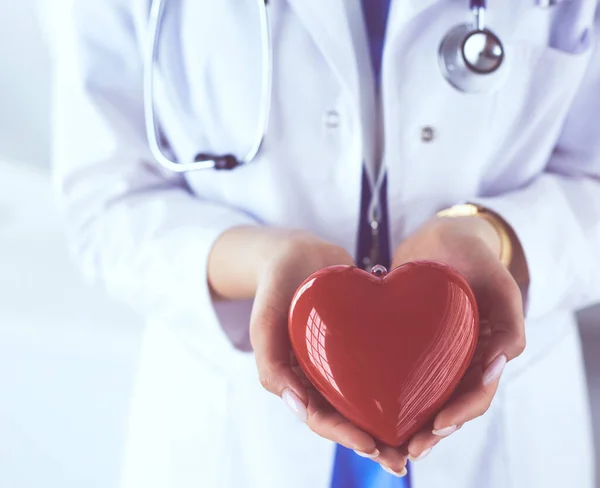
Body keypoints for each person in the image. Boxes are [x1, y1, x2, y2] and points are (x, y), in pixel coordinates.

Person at [46, 0, 599, 487]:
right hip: (232, 430)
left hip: (502, 432)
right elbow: (105, 201)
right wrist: (262, 262)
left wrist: (494, 235)